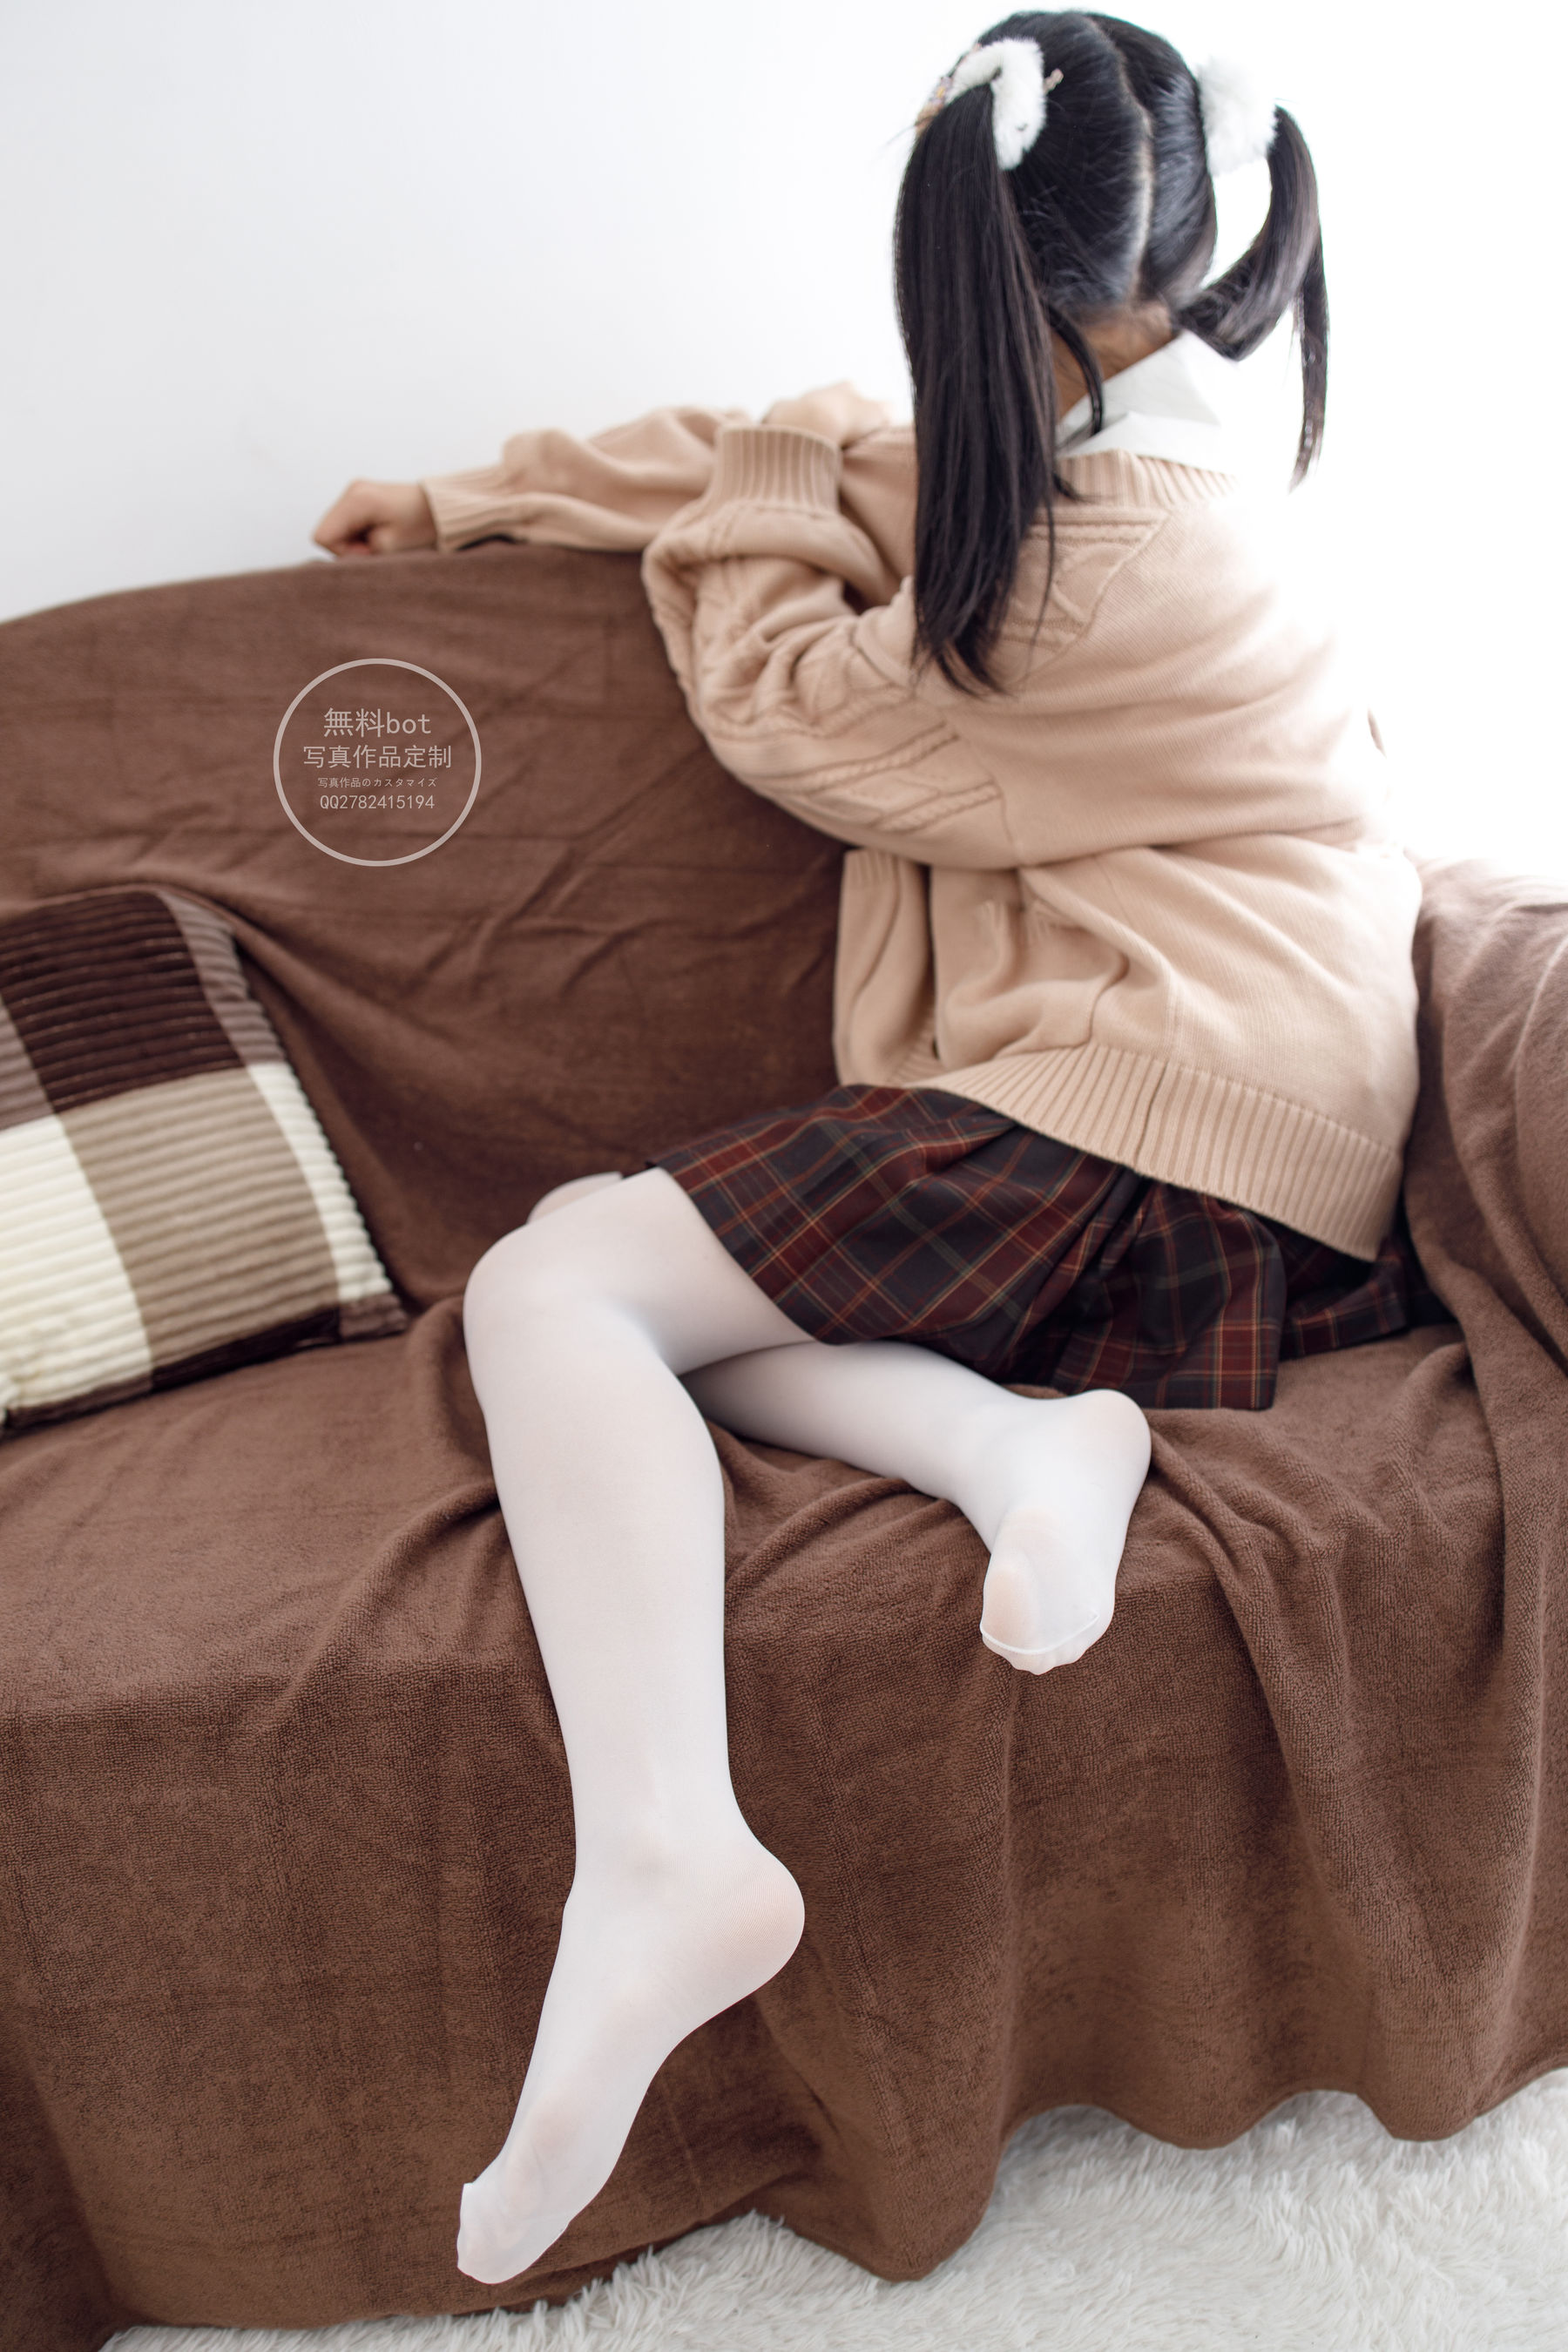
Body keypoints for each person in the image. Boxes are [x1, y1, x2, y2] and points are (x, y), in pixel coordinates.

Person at [313, 11, 1435, 2290]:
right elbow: (806, 443)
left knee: (555, 1289)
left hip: (1165, 1120)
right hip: (1190, 1123)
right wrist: (466, 500)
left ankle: (667, 1850)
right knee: (636, 1312)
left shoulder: (1129, 568)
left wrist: (758, 498)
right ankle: (1022, 1448)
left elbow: (800, 713)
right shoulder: (1123, 465)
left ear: (1005, 287)